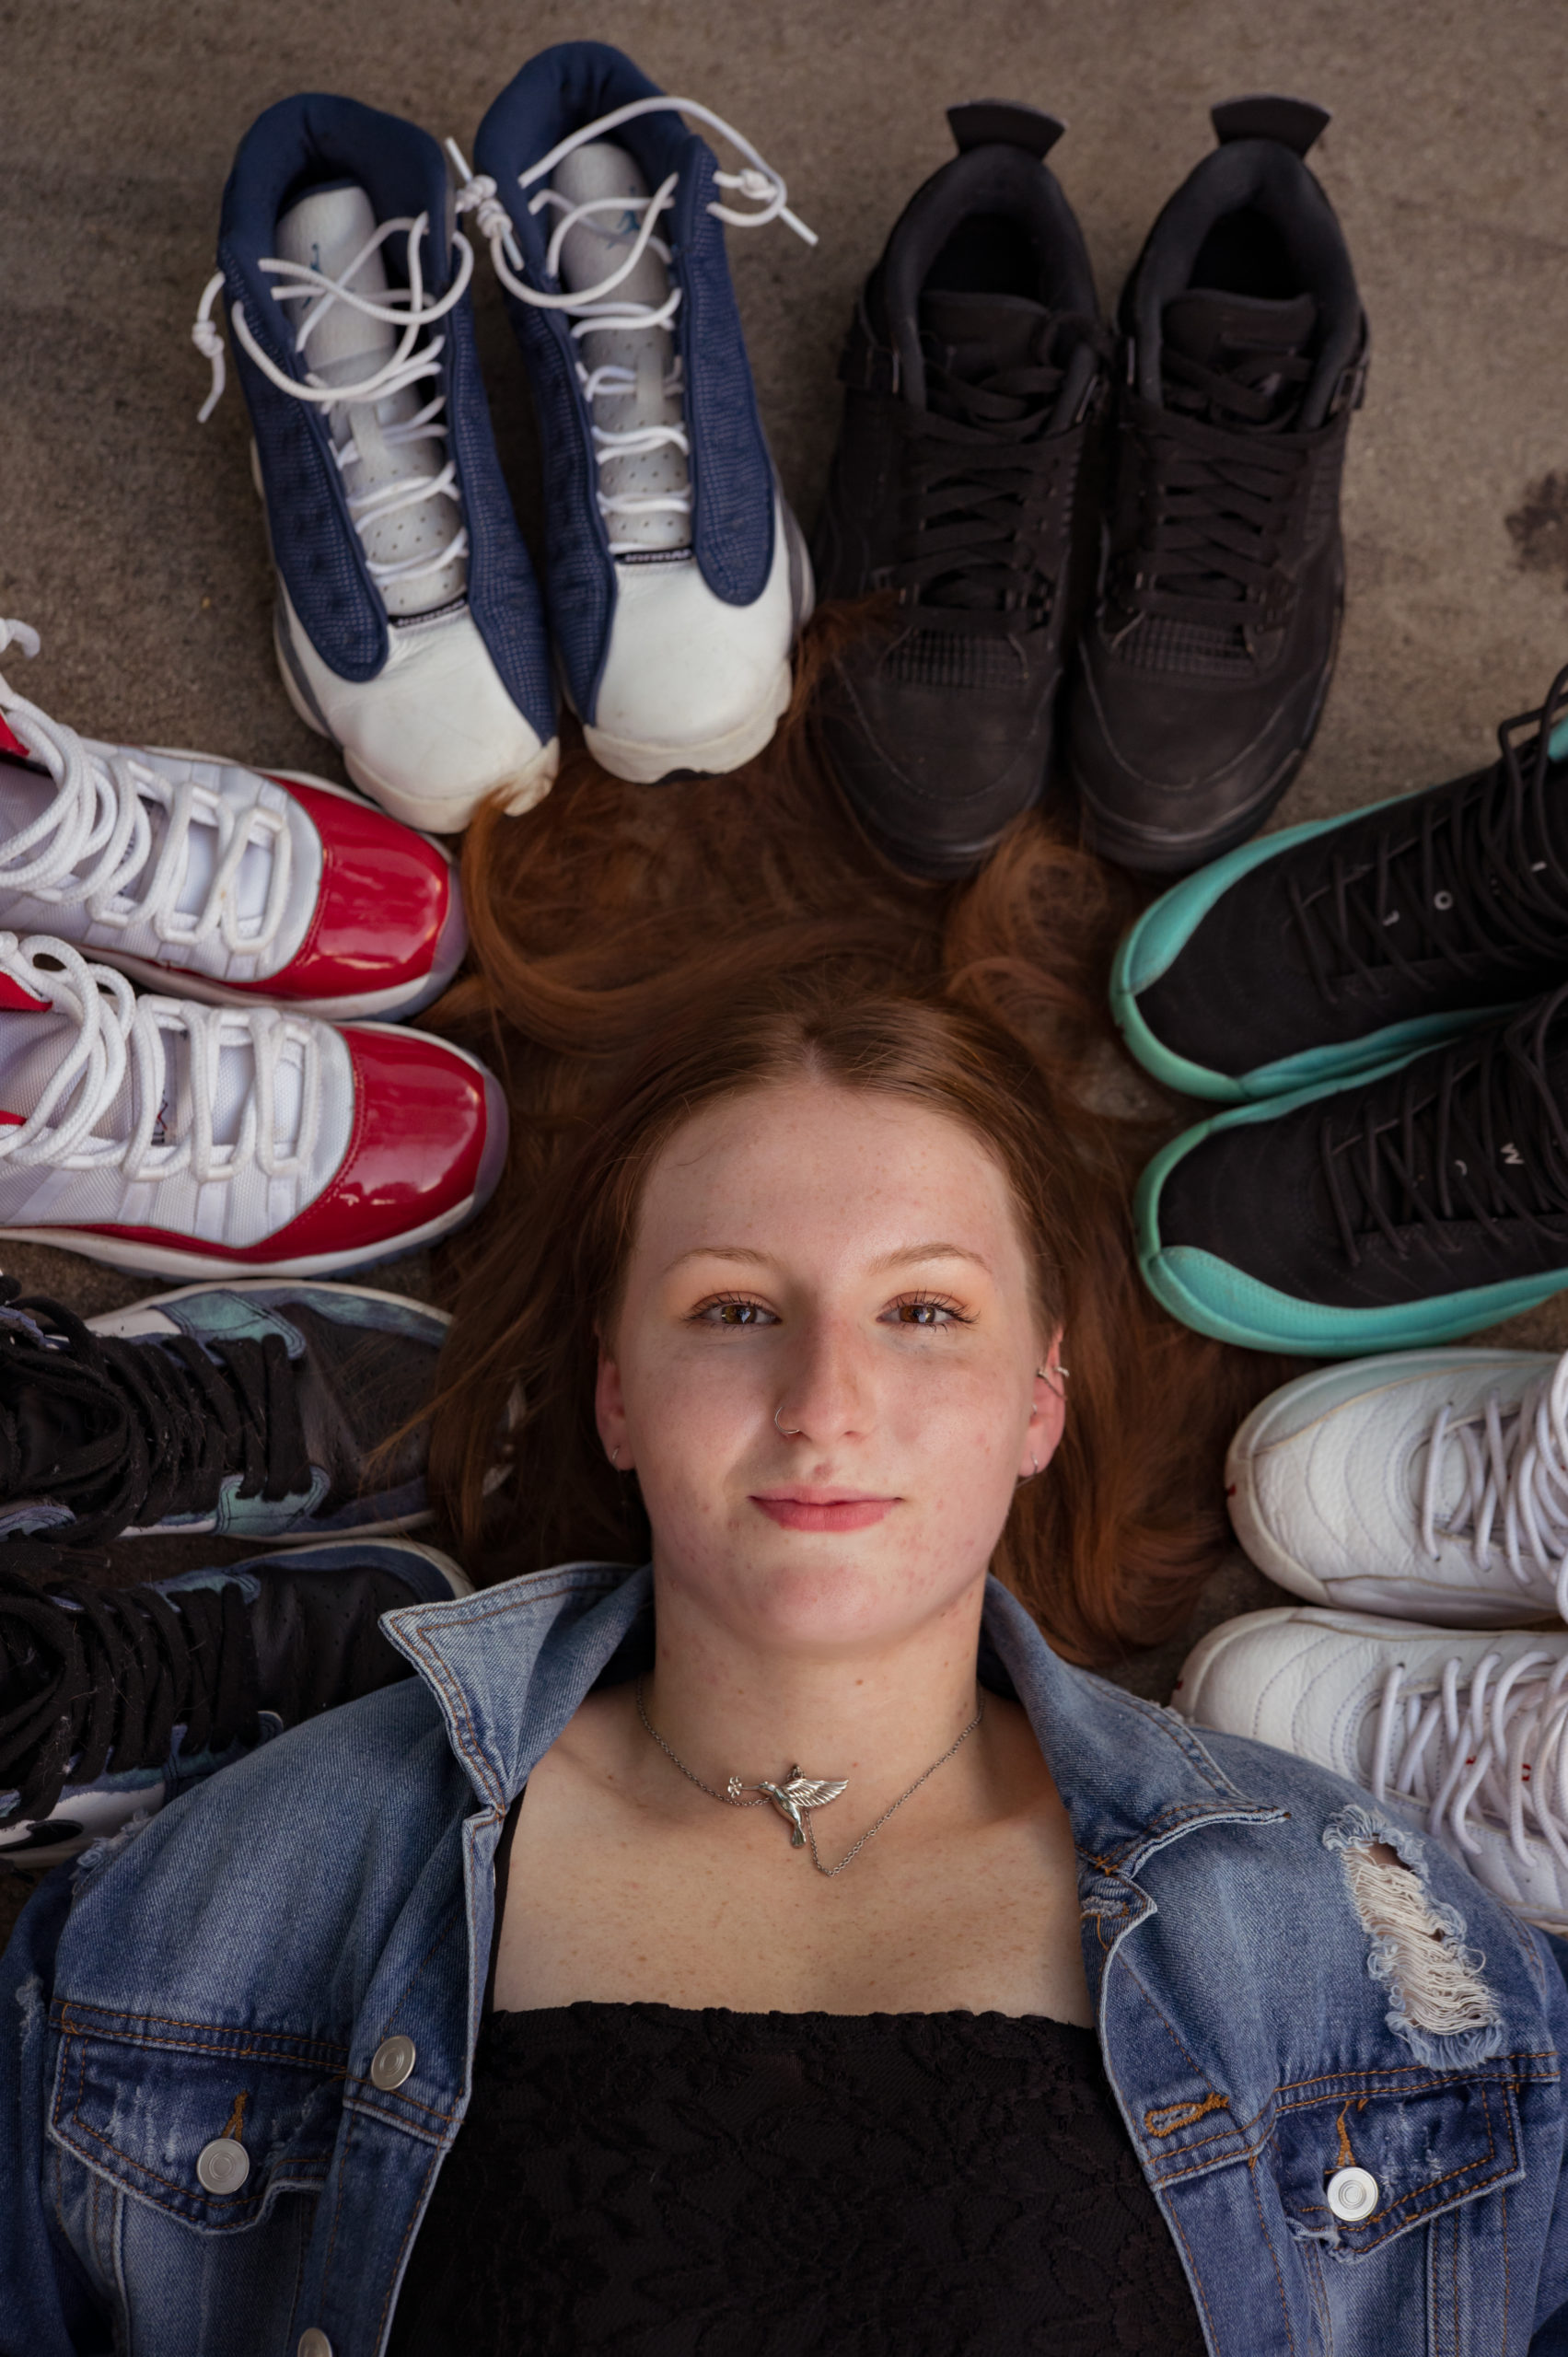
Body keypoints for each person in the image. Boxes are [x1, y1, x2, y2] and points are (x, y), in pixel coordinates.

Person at [6, 951, 1568, 2357]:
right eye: (737, 1309)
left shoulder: (1375, 1954)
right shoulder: (216, 1915)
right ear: (617, 1396)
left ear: (1041, 1399)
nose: (826, 1404)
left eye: (925, 1312)